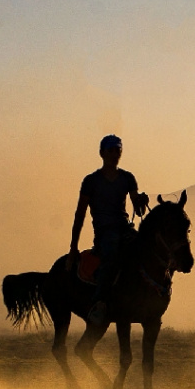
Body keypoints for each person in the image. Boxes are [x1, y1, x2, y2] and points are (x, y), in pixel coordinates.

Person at [67, 135, 149, 325]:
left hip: (124, 228)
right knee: (111, 254)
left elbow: (138, 209)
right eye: (111, 150)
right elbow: (80, 215)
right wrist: (73, 247)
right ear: (102, 153)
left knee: (145, 249)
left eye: (118, 150)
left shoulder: (128, 178)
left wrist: (140, 202)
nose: (115, 154)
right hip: (105, 233)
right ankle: (99, 303)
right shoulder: (91, 181)